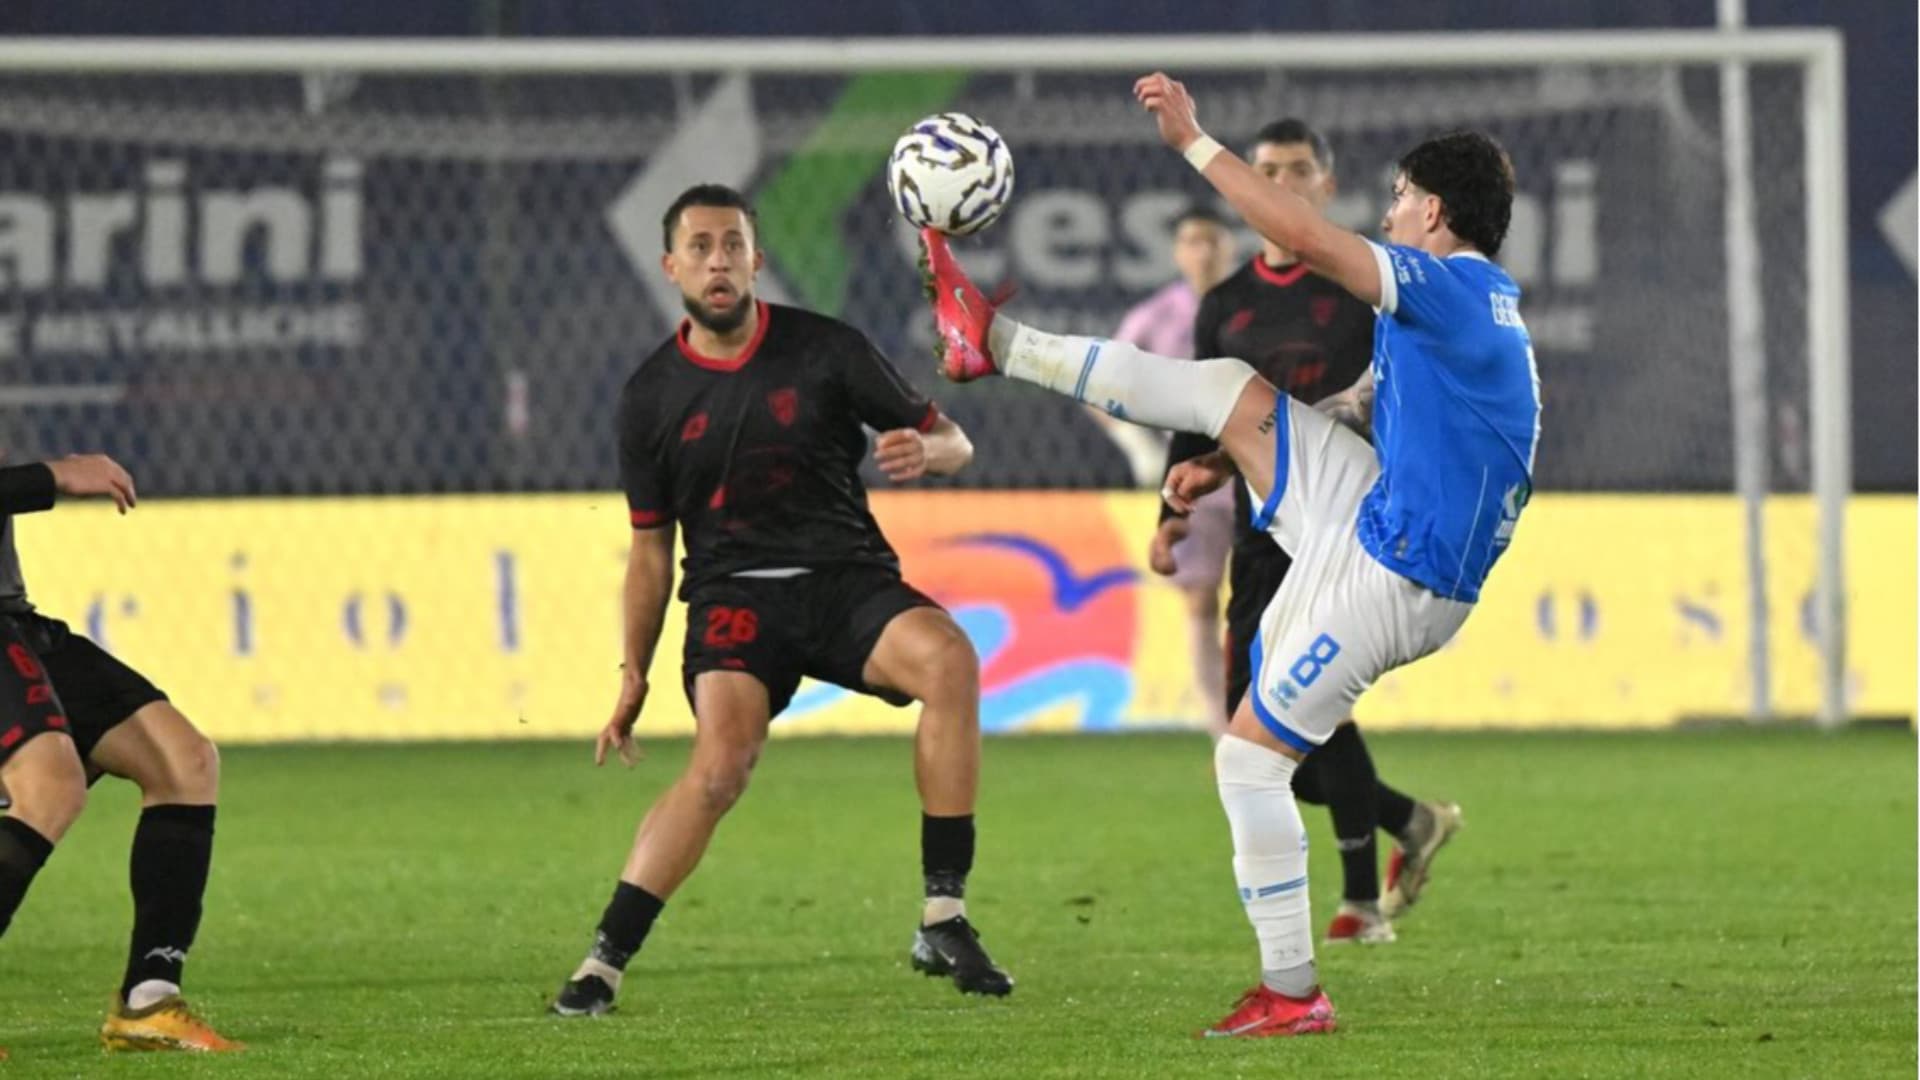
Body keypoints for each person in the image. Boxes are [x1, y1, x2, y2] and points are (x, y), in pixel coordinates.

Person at [917, 73, 1537, 1037]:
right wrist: (1232, 459)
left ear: (1435, 211)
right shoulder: (1469, 306)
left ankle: (1294, 994)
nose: (1389, 211)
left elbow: (1301, 237)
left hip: (1397, 573)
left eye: (1401, 197)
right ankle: (992, 341)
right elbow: (1372, 405)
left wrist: (1195, 144)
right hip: (1376, 512)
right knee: (1228, 391)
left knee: (1248, 764)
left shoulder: (1446, 285)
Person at [550, 184, 1010, 1017]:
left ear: (758, 260)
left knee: (950, 662)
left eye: (732, 245)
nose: (717, 261)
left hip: (844, 579)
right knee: (721, 768)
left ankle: (944, 913)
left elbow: (955, 438)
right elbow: (652, 551)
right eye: (700, 247)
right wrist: (633, 675)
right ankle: (602, 963)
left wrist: (930, 454)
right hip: (734, 599)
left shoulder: (827, 350)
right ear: (671, 267)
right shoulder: (649, 396)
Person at [1149, 120, 1462, 946]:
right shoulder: (1226, 304)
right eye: (1266, 171)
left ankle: (1360, 903)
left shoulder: (1364, 291)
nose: (1281, 184)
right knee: (1256, 724)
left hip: (1349, 526)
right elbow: (1196, 411)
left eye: (1297, 171)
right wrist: (1170, 516)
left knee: (1313, 709)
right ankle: (1409, 820)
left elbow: (1388, 396)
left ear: (1326, 186)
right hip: (1260, 534)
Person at [0, 453, 239, 1054]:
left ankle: (149, 1001)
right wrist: (53, 475)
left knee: (184, 761)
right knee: (48, 786)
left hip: (15, 621)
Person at [1113, 205, 1237, 731]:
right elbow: (1101, 384)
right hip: (1191, 475)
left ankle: (1274, 725)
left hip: (1259, 468)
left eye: (1212, 240)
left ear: (1229, 247)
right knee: (1200, 598)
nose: (1203, 252)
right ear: (1176, 252)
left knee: (1270, 598)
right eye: (1191, 241)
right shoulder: (1155, 316)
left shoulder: (1250, 305)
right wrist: (1136, 444)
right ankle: (1220, 729)